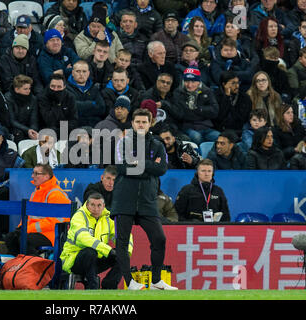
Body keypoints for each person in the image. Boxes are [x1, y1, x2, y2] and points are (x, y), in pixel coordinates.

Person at [111, 108, 177, 290]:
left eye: (144, 122)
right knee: (122, 243)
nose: (141, 125)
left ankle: (156, 280)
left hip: (147, 201)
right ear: (132, 123)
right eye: (137, 122)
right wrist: (149, 166)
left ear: (150, 124)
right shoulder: (122, 143)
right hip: (124, 200)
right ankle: (129, 281)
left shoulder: (157, 145)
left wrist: (138, 163)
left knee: (159, 239)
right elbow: (123, 168)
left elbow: (162, 169)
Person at [60, 192, 128, 289]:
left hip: (95, 260)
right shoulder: (79, 216)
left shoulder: (109, 218)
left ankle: (108, 287)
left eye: (99, 205)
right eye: (92, 205)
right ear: (87, 205)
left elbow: (124, 236)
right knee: (90, 252)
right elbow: (83, 238)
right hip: (73, 260)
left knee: (122, 255)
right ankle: (93, 286)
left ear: (104, 206)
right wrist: (108, 250)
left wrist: (126, 251)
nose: (96, 209)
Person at [5, 163, 71, 256]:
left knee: (25, 240)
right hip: (36, 232)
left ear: (46, 176)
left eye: (36, 173)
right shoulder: (36, 193)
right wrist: (20, 227)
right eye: (33, 173)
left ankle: (36, 267)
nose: (32, 176)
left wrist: (29, 229)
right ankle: (18, 266)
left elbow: (56, 221)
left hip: (51, 234)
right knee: (11, 238)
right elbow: (28, 215)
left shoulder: (56, 194)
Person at [172, 67, 220, 145]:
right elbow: (183, 114)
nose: (190, 85)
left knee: (219, 137)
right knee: (196, 137)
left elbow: (215, 111)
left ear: (199, 82)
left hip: (206, 127)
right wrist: (204, 113)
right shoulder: (178, 92)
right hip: (187, 127)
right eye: (187, 81)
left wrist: (198, 109)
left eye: (193, 81)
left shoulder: (207, 91)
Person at [66, 60, 106, 127]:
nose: (81, 74)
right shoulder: (66, 89)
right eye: (78, 71)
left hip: (93, 126)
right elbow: (70, 108)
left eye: (84, 71)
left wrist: (80, 107)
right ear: (72, 73)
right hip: (74, 127)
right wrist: (92, 104)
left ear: (88, 73)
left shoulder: (94, 89)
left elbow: (101, 108)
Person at [213, 71, 252, 135]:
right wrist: (227, 97)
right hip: (219, 130)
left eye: (238, 82)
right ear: (224, 84)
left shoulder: (244, 97)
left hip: (239, 130)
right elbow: (219, 117)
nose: (237, 86)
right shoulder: (215, 96)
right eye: (233, 83)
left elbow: (243, 118)